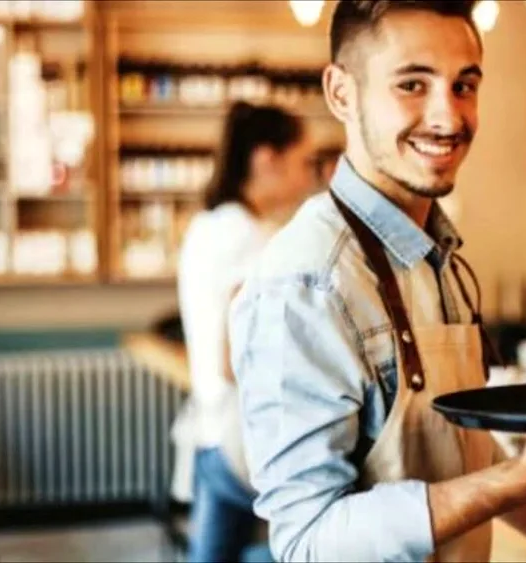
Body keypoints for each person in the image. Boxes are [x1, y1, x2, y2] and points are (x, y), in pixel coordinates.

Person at [228, 2, 526, 562]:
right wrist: (521, 476)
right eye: (412, 84)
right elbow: (308, 539)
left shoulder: (440, 259)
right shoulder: (306, 283)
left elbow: (464, 456)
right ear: (341, 93)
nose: (449, 117)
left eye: (464, 86)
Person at [178, 101, 317, 563]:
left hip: (210, 432)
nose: (311, 176)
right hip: (244, 440)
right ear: (265, 159)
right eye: (304, 162)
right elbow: (236, 355)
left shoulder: (209, 225)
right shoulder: (251, 239)